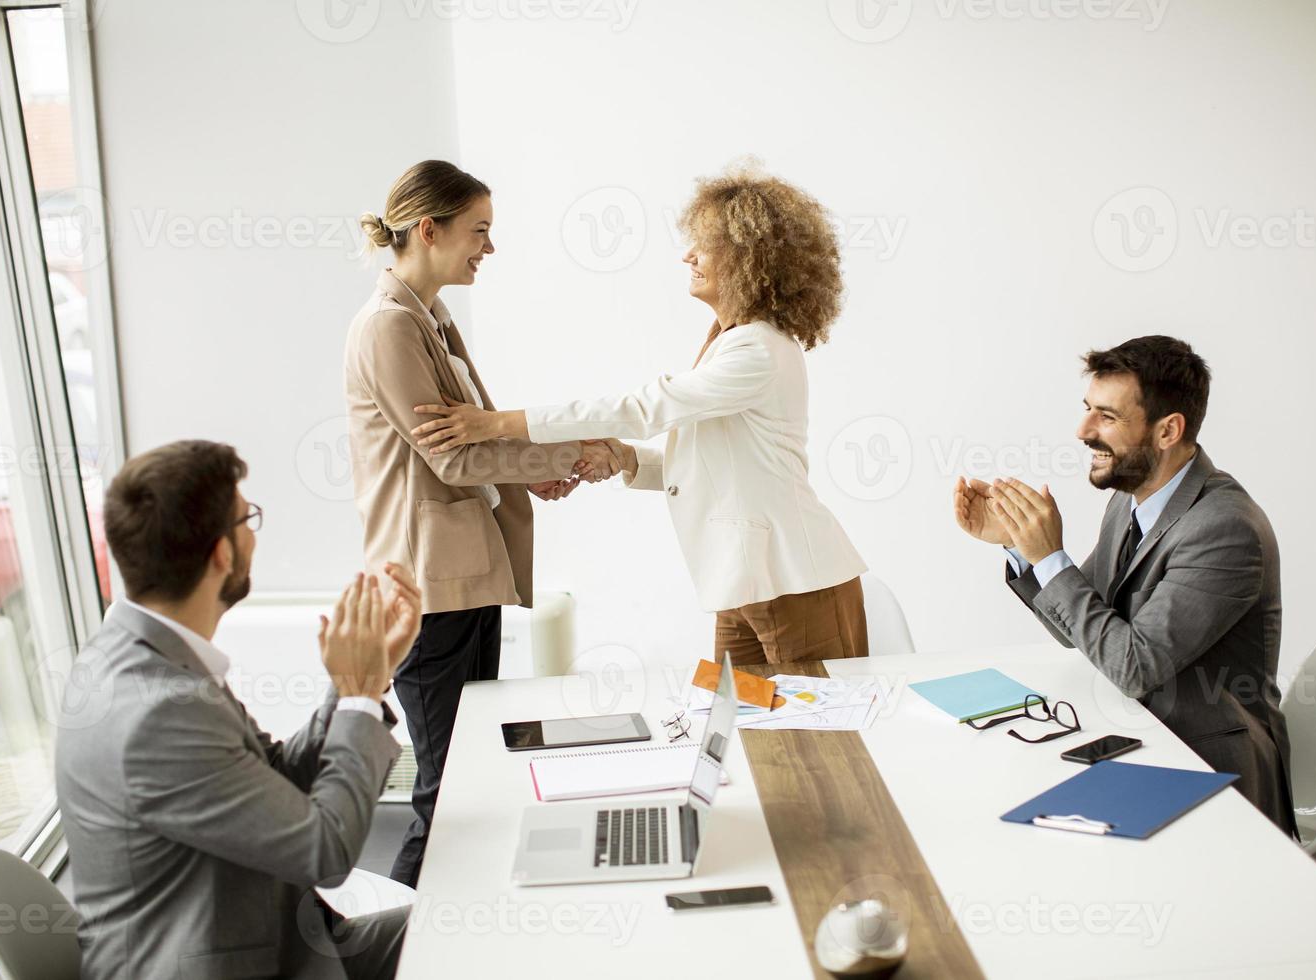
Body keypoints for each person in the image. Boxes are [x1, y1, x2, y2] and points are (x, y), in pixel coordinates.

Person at [410, 163, 869, 665]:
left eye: (706, 245)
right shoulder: (729, 343)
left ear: (749, 257)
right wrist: (627, 459)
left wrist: (496, 423)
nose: (688, 256)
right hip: (742, 588)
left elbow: (643, 408)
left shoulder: (759, 350)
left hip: (796, 584)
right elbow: (709, 465)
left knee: (816, 740)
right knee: (733, 731)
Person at [55, 440, 418, 979]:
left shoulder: (147, 656)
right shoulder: (156, 713)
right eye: (247, 517)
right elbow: (326, 851)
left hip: (291, 940)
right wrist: (360, 694)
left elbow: (275, 777)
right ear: (222, 552)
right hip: (235, 967)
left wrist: (363, 680)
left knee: (478, 926)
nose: (253, 532)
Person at [348, 160, 617, 885]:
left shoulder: (429, 320)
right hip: (429, 589)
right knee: (446, 795)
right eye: (480, 232)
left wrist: (539, 467)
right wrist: (560, 456)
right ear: (429, 230)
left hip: (466, 577)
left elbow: (475, 443)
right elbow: (450, 460)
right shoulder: (388, 329)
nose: (488, 249)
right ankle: (397, 948)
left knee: (473, 774)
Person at [953, 336, 1296, 835]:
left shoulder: (1225, 528)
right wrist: (1020, 548)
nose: (1083, 430)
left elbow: (1134, 667)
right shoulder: (1131, 499)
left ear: (1167, 431)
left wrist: (1051, 558)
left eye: (1107, 417)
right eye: (1087, 409)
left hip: (1212, 765)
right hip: (1141, 735)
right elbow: (1077, 628)